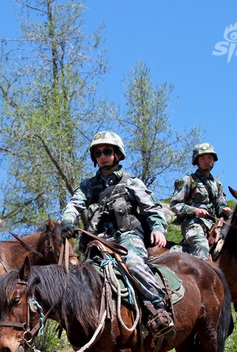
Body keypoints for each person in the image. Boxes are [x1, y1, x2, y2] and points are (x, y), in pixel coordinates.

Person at [60, 131, 176, 338]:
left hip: (127, 236)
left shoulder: (132, 182)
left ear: (118, 154)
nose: (102, 155)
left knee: (132, 263)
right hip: (98, 240)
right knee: (80, 277)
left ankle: (159, 308)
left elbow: (153, 208)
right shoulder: (87, 186)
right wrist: (68, 220)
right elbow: (74, 204)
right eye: (97, 153)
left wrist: (158, 228)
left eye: (107, 151)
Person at [169, 142, 231, 260]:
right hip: (193, 223)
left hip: (213, 225)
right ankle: (201, 277)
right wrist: (194, 210)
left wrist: (224, 210)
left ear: (214, 160)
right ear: (197, 161)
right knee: (201, 246)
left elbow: (220, 204)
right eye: (202, 158)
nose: (206, 160)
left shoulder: (217, 184)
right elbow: (174, 204)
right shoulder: (188, 180)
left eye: (209, 157)